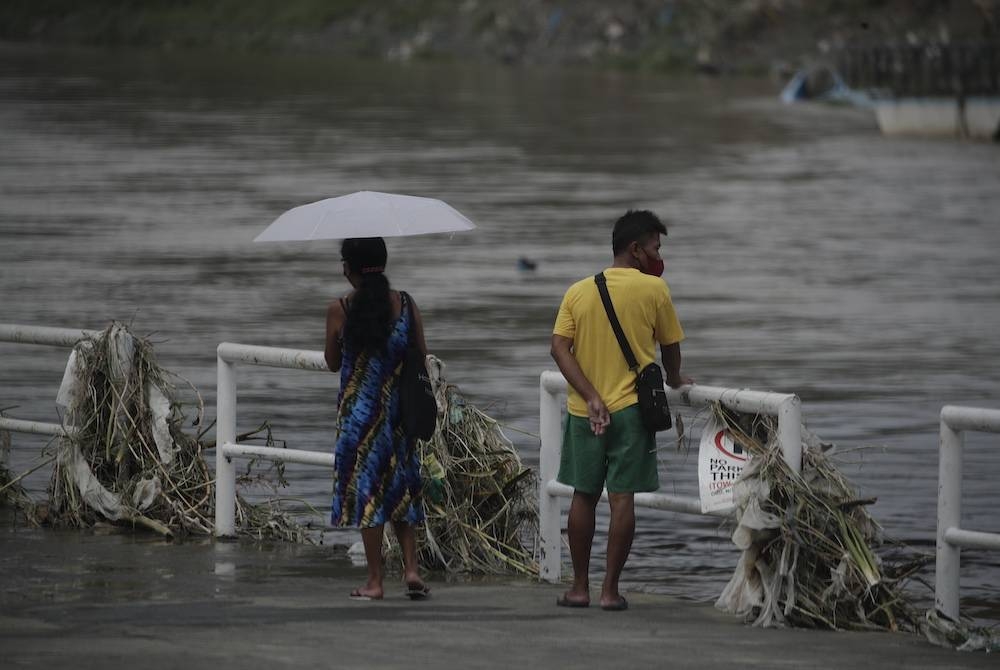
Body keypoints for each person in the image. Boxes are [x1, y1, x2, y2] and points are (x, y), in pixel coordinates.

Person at [550, 210, 692, 611]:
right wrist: (677, 378)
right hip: (631, 411)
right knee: (622, 500)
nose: (658, 256)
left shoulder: (578, 291)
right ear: (635, 249)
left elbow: (559, 347)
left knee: (583, 495)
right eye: (655, 247)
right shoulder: (654, 291)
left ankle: (579, 588)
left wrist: (592, 396)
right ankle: (610, 592)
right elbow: (670, 348)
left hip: (583, 411)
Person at [324, 236, 430, 601]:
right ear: (383, 263)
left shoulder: (340, 309)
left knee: (368, 494)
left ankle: (374, 580)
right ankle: (412, 570)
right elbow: (421, 354)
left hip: (359, 419)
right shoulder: (406, 304)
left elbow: (333, 362)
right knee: (401, 490)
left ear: (349, 268)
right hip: (399, 415)